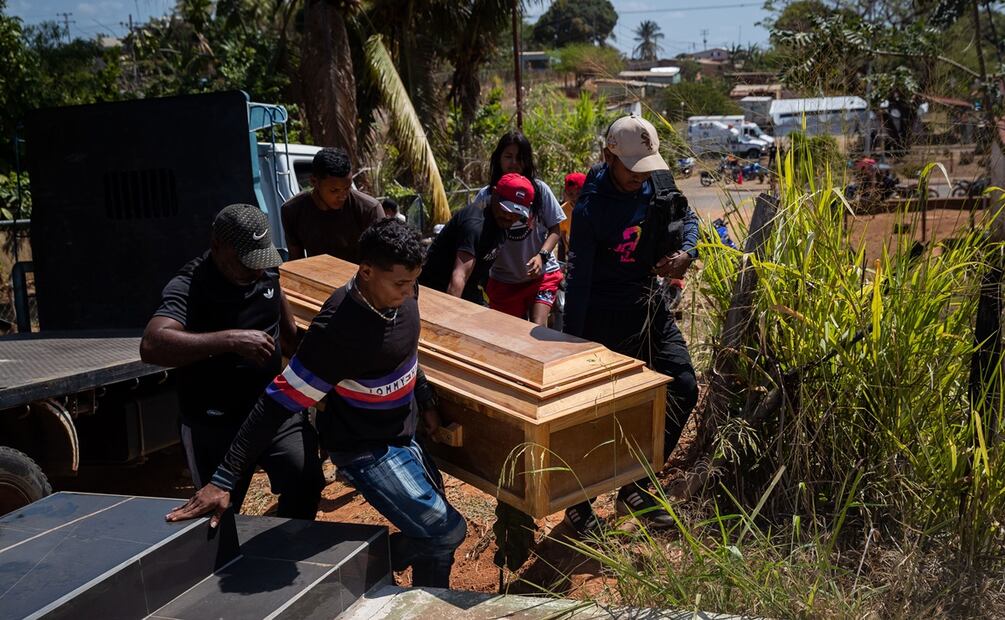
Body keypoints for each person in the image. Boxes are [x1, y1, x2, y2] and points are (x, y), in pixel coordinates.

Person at [165, 219, 467, 589]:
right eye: (400, 284)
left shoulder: (405, 290)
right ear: (367, 272)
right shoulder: (335, 334)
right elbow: (275, 404)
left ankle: (427, 604)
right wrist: (223, 478)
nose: (409, 292)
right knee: (444, 532)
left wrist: (425, 398)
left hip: (403, 437)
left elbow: (406, 349)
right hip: (365, 450)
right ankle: (358, 566)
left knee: (435, 542)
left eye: (413, 282)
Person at [562, 114, 700, 535]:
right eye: (630, 168)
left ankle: (637, 486)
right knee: (595, 411)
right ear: (609, 156)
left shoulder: (656, 180)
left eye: (645, 167)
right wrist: (572, 346)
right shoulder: (590, 206)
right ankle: (577, 502)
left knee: (682, 385)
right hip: (600, 316)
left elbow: (687, 218)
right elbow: (578, 280)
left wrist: (686, 254)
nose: (639, 178)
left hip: (648, 303)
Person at [140, 203, 323, 520]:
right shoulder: (190, 285)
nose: (257, 270)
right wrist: (229, 341)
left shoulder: (267, 274)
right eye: (247, 262)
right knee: (219, 512)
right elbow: (152, 344)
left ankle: (287, 552)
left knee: (305, 478)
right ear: (217, 247)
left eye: (262, 260)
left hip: (272, 409)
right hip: (214, 421)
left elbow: (290, 336)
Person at [479, 132, 565, 326]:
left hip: (541, 275)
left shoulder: (540, 190)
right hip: (504, 280)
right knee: (511, 336)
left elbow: (555, 229)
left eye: (520, 158)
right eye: (508, 157)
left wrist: (541, 256)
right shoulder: (486, 196)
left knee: (537, 328)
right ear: (498, 159)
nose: (514, 163)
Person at [418, 176, 530, 305]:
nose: (509, 216)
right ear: (494, 194)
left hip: (469, 291)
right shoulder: (475, 225)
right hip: (438, 293)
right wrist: (448, 317)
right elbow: (459, 276)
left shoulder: (501, 220)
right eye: (506, 209)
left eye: (516, 212)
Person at [281, 147, 385, 262]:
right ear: (314, 181)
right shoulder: (292, 210)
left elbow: (381, 262)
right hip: (317, 277)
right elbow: (296, 261)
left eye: (347, 188)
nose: (343, 196)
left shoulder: (369, 209)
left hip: (360, 278)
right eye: (334, 190)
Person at [558, 172, 586, 262]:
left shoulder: (593, 207)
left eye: (578, 193)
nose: (575, 198)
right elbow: (561, 235)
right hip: (574, 254)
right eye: (571, 194)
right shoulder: (562, 211)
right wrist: (561, 261)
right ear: (566, 193)